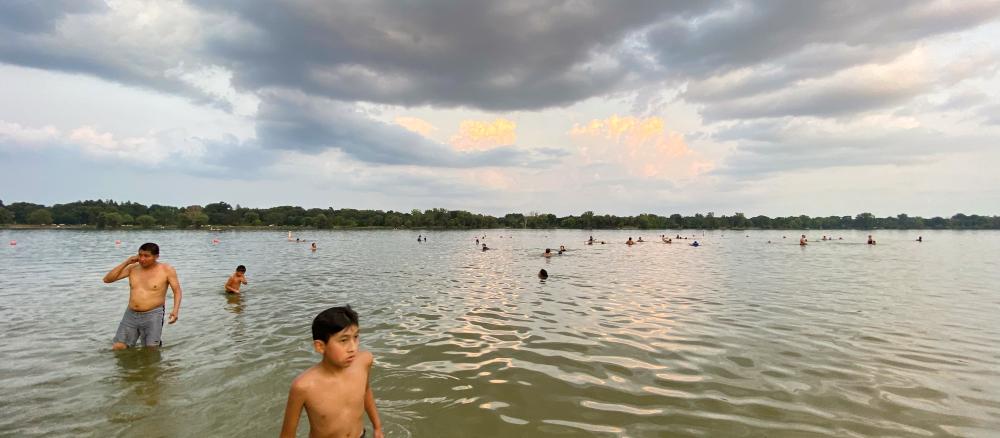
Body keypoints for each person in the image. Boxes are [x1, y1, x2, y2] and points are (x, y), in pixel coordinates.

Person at [280, 306, 383, 438]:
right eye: (344, 340)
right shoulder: (304, 386)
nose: (353, 347)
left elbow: (366, 391)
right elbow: (287, 435)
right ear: (320, 346)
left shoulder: (364, 361)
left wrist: (377, 427)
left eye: (356, 337)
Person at [102, 242, 182, 350]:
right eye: (140, 255)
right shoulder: (133, 268)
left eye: (146, 256)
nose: (142, 259)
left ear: (156, 256)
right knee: (118, 347)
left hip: (153, 314)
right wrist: (126, 262)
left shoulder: (166, 270)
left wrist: (175, 311)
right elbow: (107, 280)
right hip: (131, 314)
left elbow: (177, 291)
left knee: (150, 350)